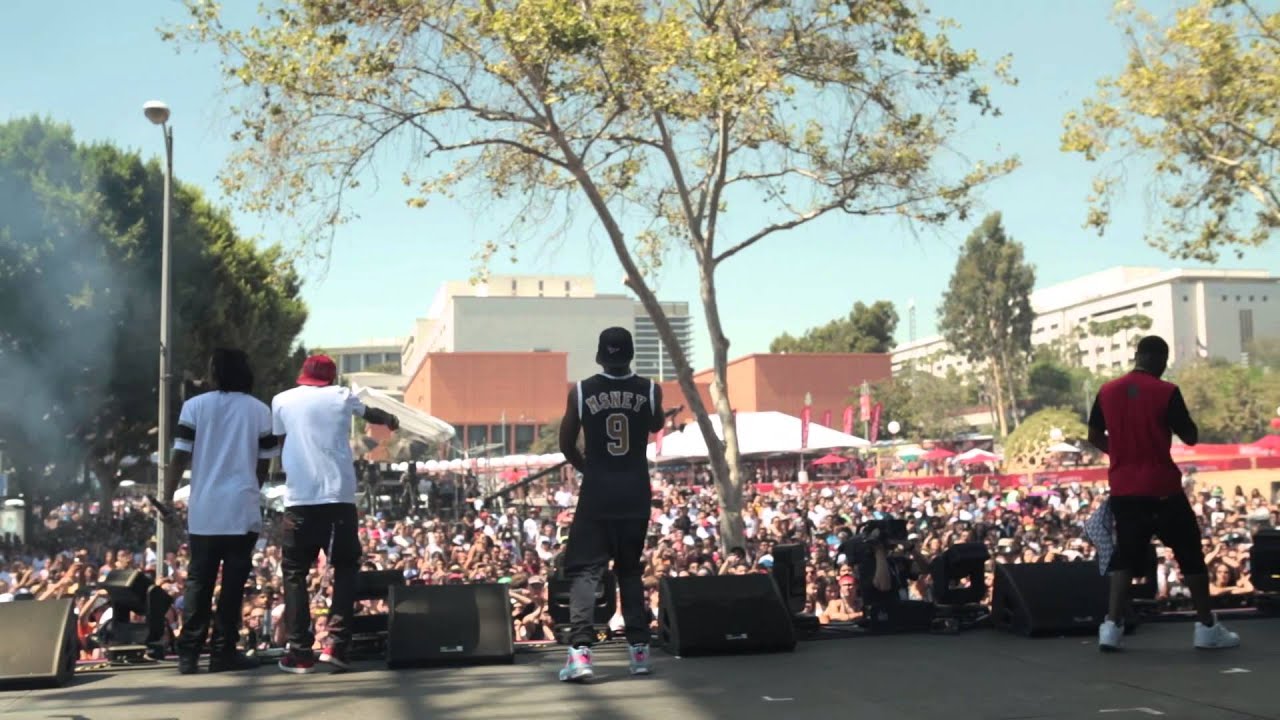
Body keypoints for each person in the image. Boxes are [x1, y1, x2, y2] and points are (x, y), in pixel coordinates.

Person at [1088, 335, 1238, 651]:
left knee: (1124, 556)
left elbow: (1094, 435)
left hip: (1124, 489)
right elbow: (1191, 436)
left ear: (1137, 356)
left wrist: (1119, 453)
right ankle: (1207, 628)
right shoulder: (1166, 391)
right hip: (1162, 489)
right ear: (1162, 359)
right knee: (1190, 554)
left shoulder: (1106, 391)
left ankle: (1111, 627)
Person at [271, 354, 399, 673]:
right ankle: (337, 645)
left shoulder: (281, 400)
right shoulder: (342, 395)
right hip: (339, 497)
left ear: (303, 375)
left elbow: (278, 440)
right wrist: (392, 422)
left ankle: (299, 651)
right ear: (331, 377)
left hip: (300, 498)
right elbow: (375, 414)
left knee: (295, 571)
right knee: (344, 567)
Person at [557, 327, 663, 682]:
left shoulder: (582, 391)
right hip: (636, 489)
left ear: (601, 355)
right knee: (630, 569)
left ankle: (581, 653)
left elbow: (566, 444)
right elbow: (656, 422)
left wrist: (590, 467)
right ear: (630, 354)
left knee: (586, 569)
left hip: (599, 490)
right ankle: (639, 651)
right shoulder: (650, 389)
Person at [165, 348, 277, 674]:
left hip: (205, 510)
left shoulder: (194, 407)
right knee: (232, 586)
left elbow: (179, 457)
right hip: (241, 511)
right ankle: (223, 652)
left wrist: (167, 496)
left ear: (215, 372)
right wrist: (251, 489)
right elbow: (264, 460)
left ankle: (188, 654)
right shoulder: (259, 411)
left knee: (199, 582)